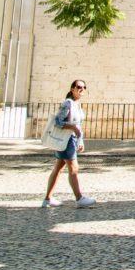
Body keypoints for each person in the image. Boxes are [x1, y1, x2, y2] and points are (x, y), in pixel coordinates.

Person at [43, 79, 96, 208]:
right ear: (72, 89)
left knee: (59, 169)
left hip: (71, 139)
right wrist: (73, 128)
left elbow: (78, 125)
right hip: (66, 140)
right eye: (78, 87)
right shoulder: (68, 103)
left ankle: (47, 199)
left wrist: (80, 139)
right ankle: (79, 199)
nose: (81, 89)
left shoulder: (76, 104)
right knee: (73, 168)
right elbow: (58, 122)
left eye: (84, 87)